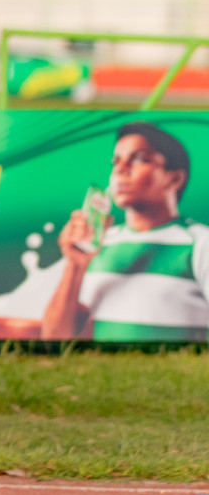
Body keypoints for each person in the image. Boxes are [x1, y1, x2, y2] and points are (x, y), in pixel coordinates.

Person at [41, 121, 209, 341]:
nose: (121, 170)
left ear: (175, 178)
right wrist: (75, 264)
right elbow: (55, 338)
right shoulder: (99, 244)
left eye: (139, 159)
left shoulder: (200, 242)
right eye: (116, 162)